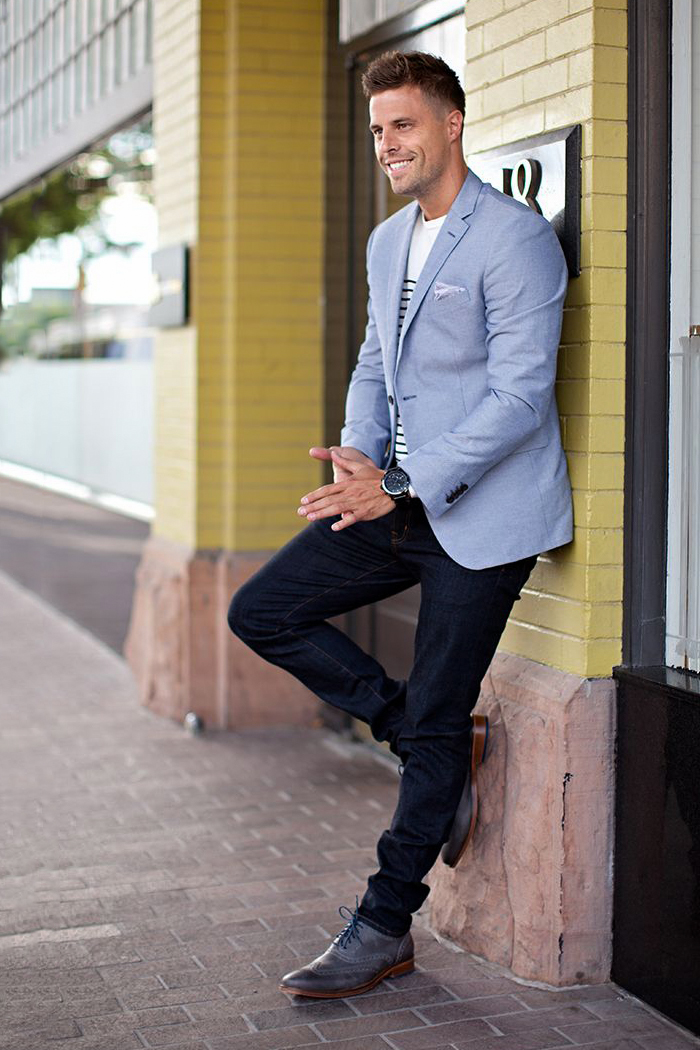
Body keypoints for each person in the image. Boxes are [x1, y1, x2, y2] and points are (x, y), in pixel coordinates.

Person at [227, 49, 572, 999]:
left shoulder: (513, 238)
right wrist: (358, 456)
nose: (387, 144)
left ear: (452, 124)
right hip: (395, 495)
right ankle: (423, 733)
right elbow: (375, 365)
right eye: (378, 129)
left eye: (404, 125)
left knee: (438, 698)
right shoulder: (390, 244)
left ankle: (383, 925)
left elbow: (521, 397)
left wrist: (406, 481)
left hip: (484, 511)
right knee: (262, 611)